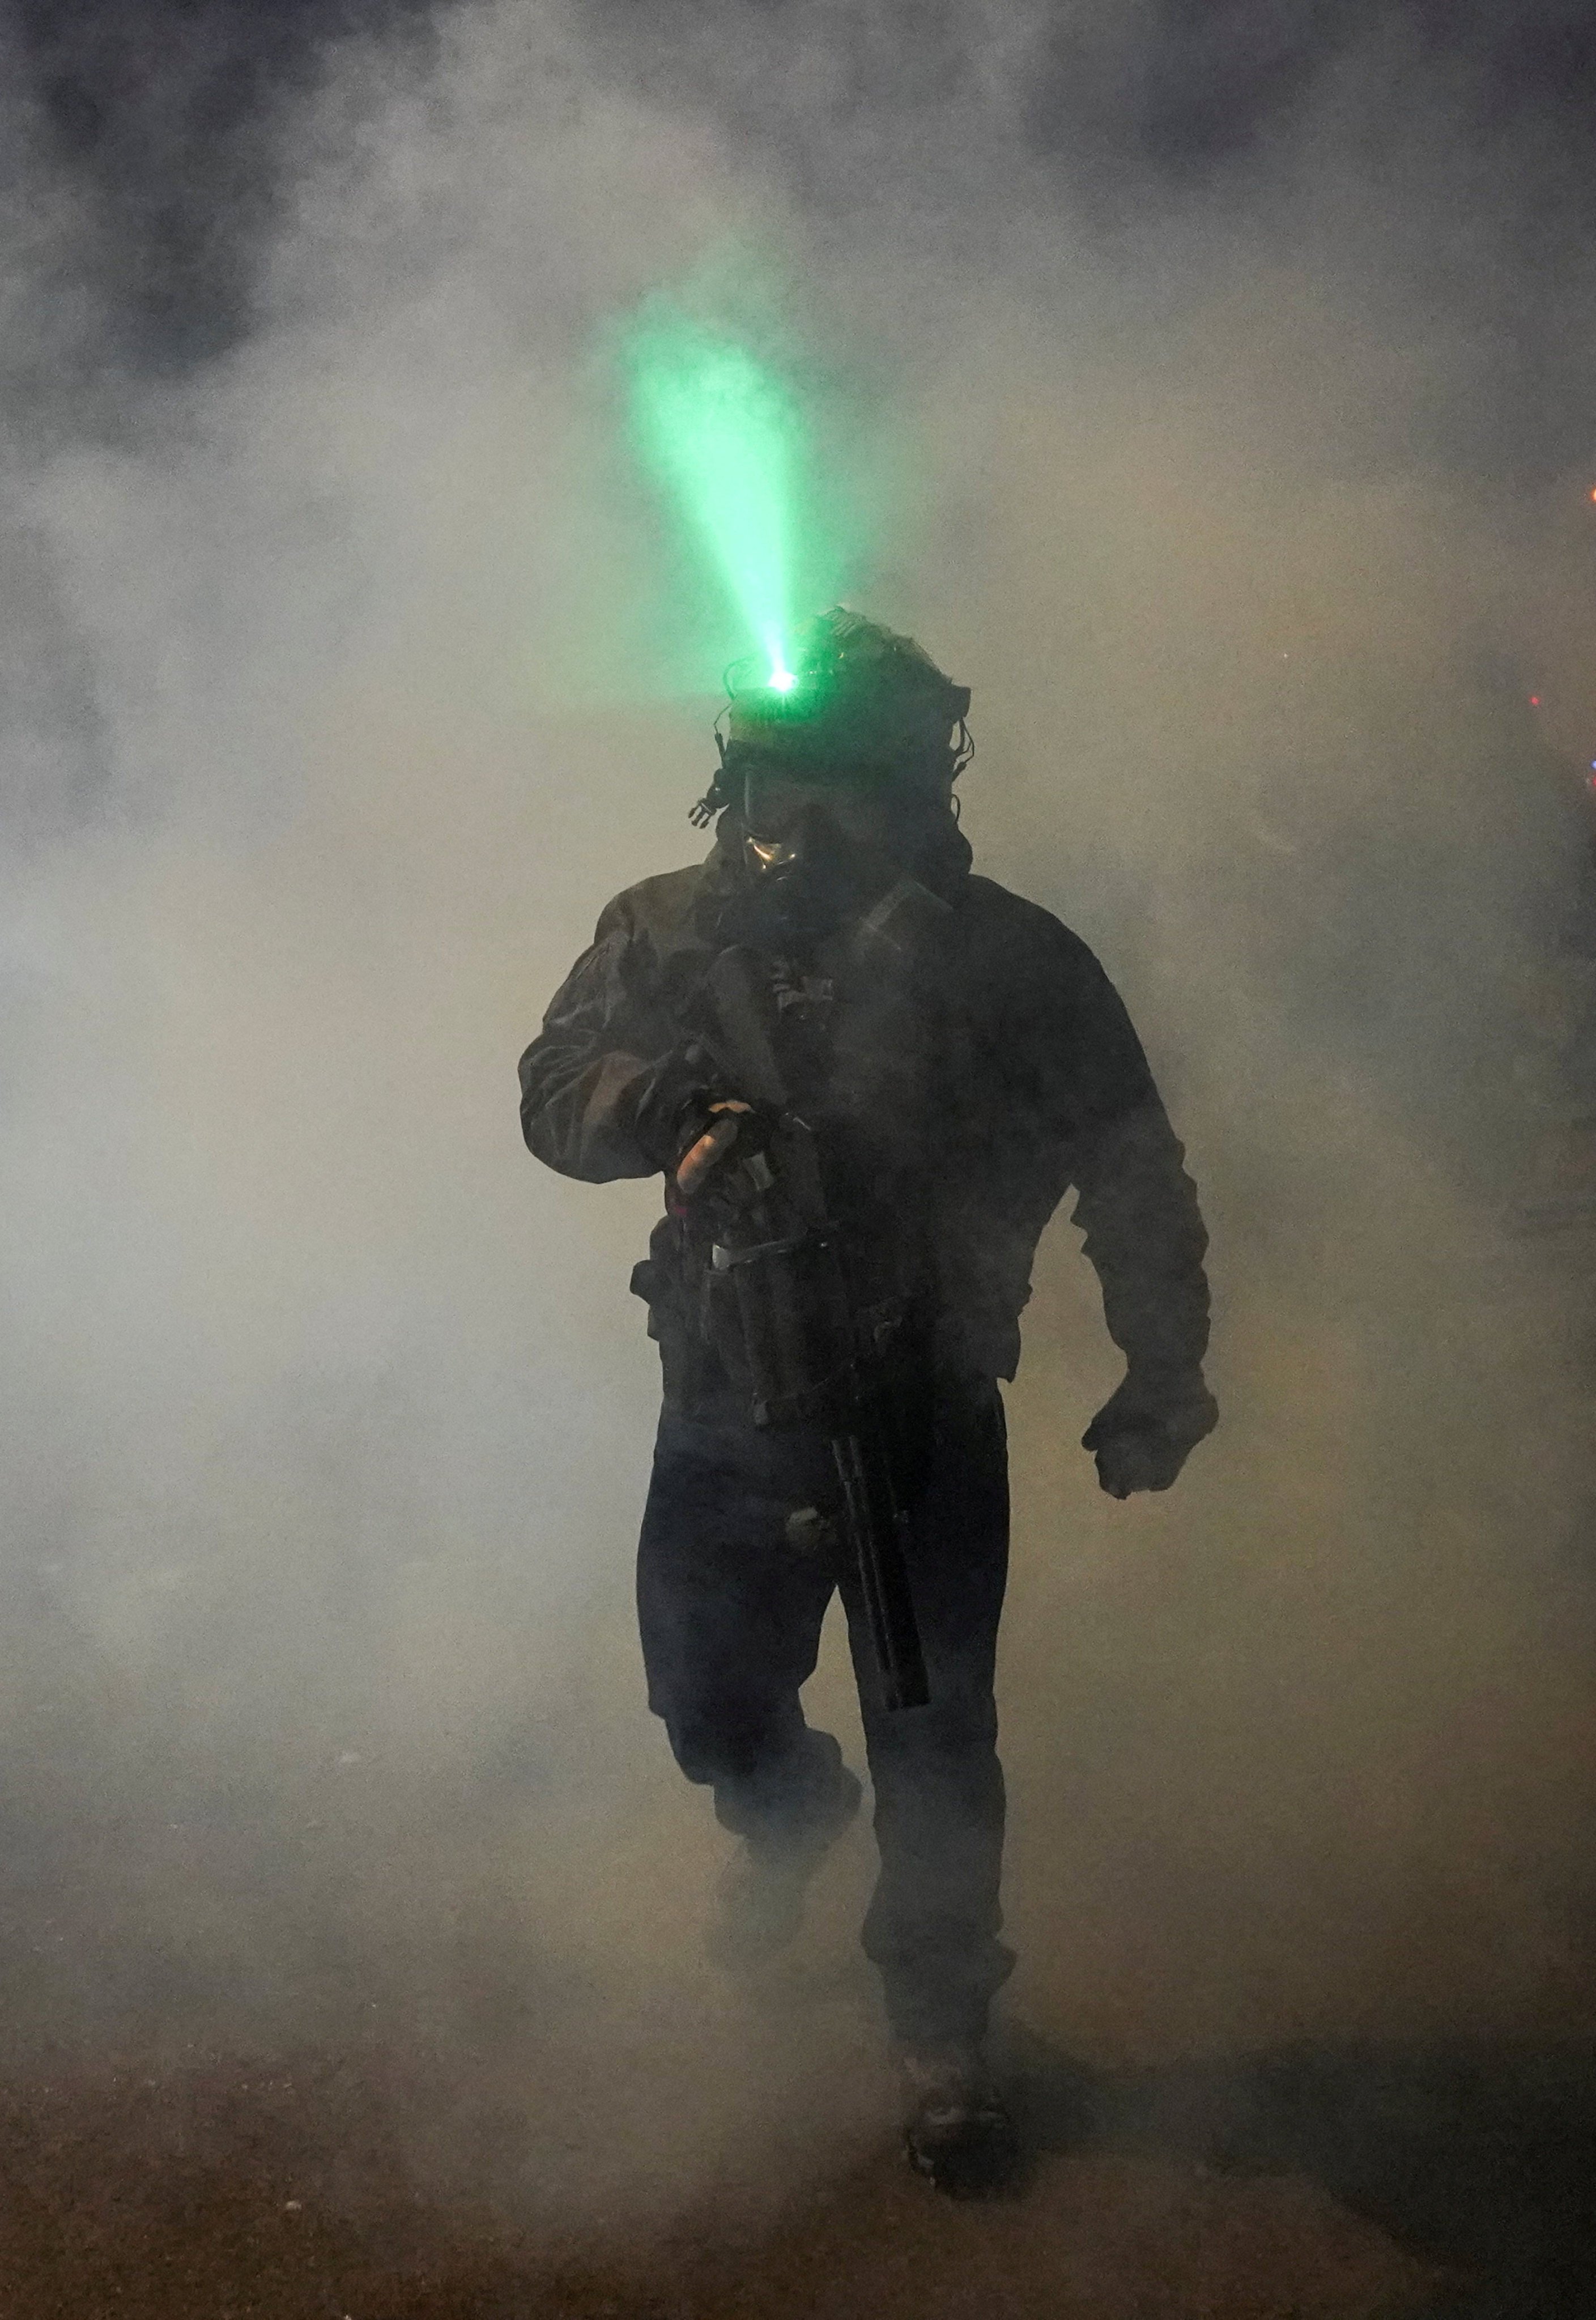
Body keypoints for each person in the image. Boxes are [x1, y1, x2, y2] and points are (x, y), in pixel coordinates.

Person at [518, 608, 1216, 2194]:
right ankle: (783, 1814)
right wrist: (670, 1116)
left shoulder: (1016, 959)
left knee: (935, 1724)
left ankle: (941, 2030)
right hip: (721, 1395)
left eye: (851, 790)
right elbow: (553, 1090)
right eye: (779, 790)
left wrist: (1161, 1370)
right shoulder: (660, 930)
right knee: (710, 1708)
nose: (809, 830)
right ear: (735, 788)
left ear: (918, 788)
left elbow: (1132, 1174)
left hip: (923, 1405)